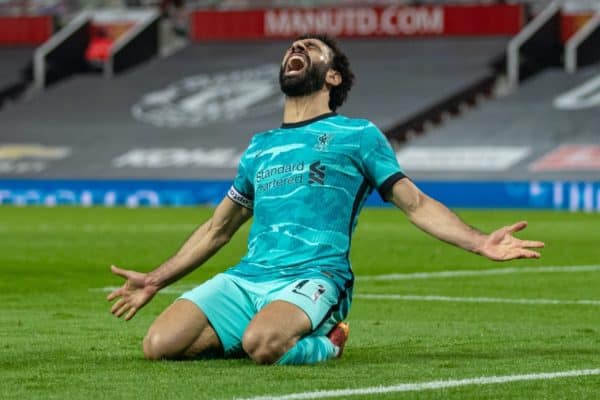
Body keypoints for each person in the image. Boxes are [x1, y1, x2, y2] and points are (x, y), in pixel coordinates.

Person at [107, 34, 545, 365]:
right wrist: (155, 280)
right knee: (158, 345)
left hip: (316, 275)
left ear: (332, 76)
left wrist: (479, 241)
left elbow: (415, 203)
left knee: (263, 347)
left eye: (310, 48)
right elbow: (217, 228)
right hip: (249, 276)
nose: (296, 48)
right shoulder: (260, 146)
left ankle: (326, 343)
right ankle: (265, 325)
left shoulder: (358, 135)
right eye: (292, 47)